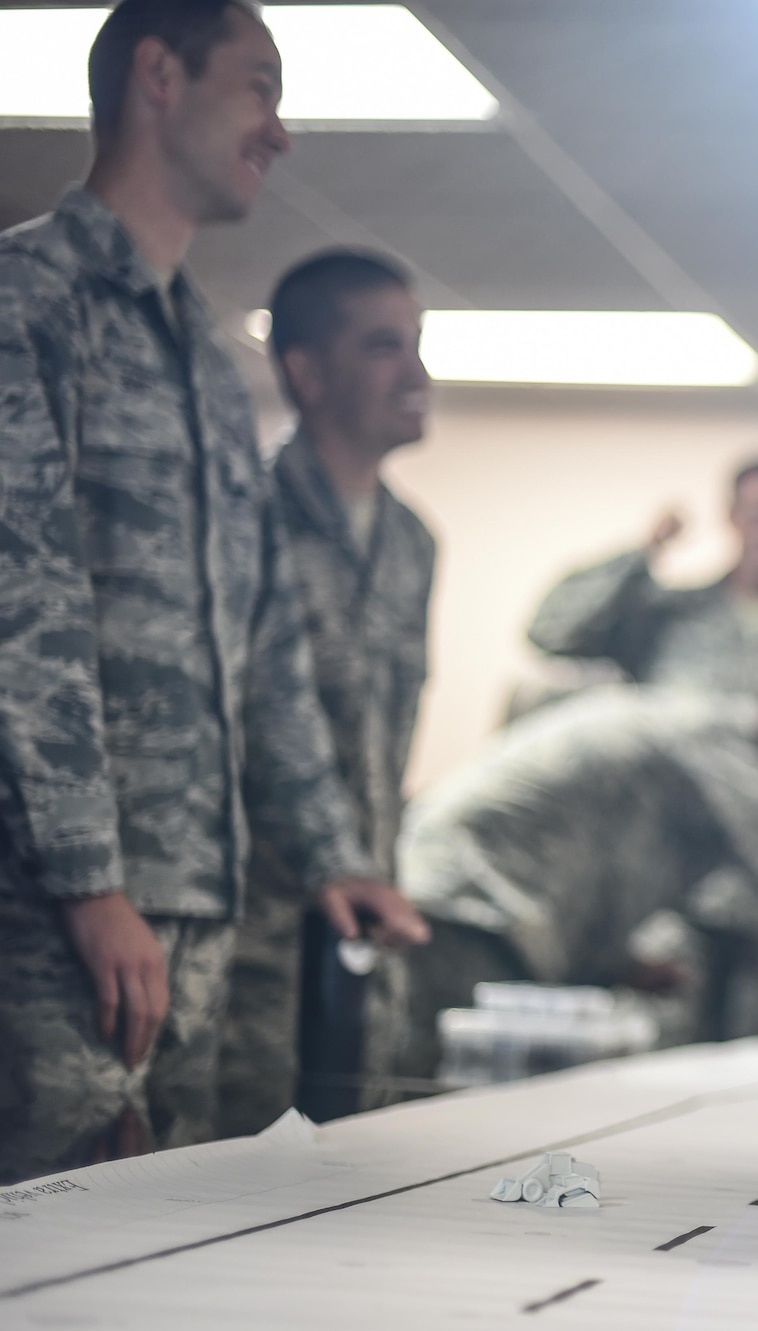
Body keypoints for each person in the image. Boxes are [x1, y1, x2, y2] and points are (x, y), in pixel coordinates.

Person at [0, 0, 425, 1185]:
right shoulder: (28, 301)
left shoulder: (207, 362)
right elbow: (23, 610)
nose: (278, 132)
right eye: (260, 89)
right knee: (45, 1237)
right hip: (53, 911)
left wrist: (334, 854)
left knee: (167, 1233)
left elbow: (265, 642)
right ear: (159, 75)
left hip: (195, 904)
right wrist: (90, 880)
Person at [387, 678, 758, 1078]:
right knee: (430, 1110)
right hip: (467, 902)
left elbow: (621, 862)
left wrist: (617, 961)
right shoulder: (734, 755)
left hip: (466, 896)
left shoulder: (698, 741)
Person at [214, 250, 437, 1136]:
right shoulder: (245, 513)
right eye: (384, 347)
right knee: (235, 1156)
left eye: (417, 343)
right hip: (250, 922)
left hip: (364, 916)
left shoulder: (414, 542)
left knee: (352, 1150)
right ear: (305, 371)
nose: (417, 373)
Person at [527, 460, 758, 886]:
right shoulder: (669, 618)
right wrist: (643, 552)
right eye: (755, 511)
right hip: (658, 862)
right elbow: (551, 632)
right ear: (731, 516)